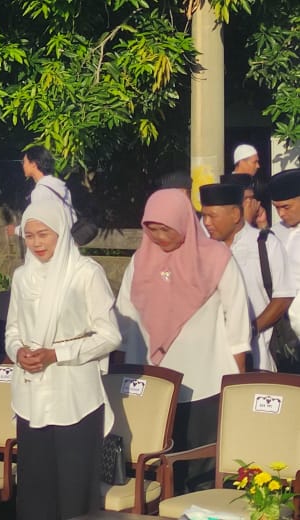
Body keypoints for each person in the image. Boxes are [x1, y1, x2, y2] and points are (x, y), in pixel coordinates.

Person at [116, 189, 250, 494]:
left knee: (201, 470)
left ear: (185, 222)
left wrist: (237, 382)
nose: (160, 237)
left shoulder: (216, 259)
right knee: (154, 470)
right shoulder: (139, 263)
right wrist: (123, 372)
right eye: (152, 229)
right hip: (152, 386)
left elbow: (238, 321)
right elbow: (123, 320)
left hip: (205, 383)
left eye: (166, 228)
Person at [5, 201, 120, 520]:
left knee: (73, 493)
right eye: (29, 236)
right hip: (31, 395)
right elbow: (12, 328)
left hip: (74, 396)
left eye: (44, 234)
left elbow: (110, 335)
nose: (37, 243)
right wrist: (18, 351)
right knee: (34, 492)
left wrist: (58, 354)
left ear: (62, 233)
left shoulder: (86, 273)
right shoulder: (21, 276)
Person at [200, 183, 293, 372]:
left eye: (212, 216)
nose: (207, 222)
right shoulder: (202, 251)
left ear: (235, 214)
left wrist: (249, 329)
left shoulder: (265, 244)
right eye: (204, 216)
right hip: (210, 359)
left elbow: (283, 297)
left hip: (258, 357)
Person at [268, 169, 300, 373]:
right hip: (280, 332)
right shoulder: (273, 233)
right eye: (276, 208)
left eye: (286, 207)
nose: (281, 214)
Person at [7, 146, 73, 237]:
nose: (23, 165)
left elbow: (38, 225)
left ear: (33, 164)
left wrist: (15, 230)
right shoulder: (61, 187)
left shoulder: (40, 192)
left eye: (24, 162)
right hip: (67, 241)